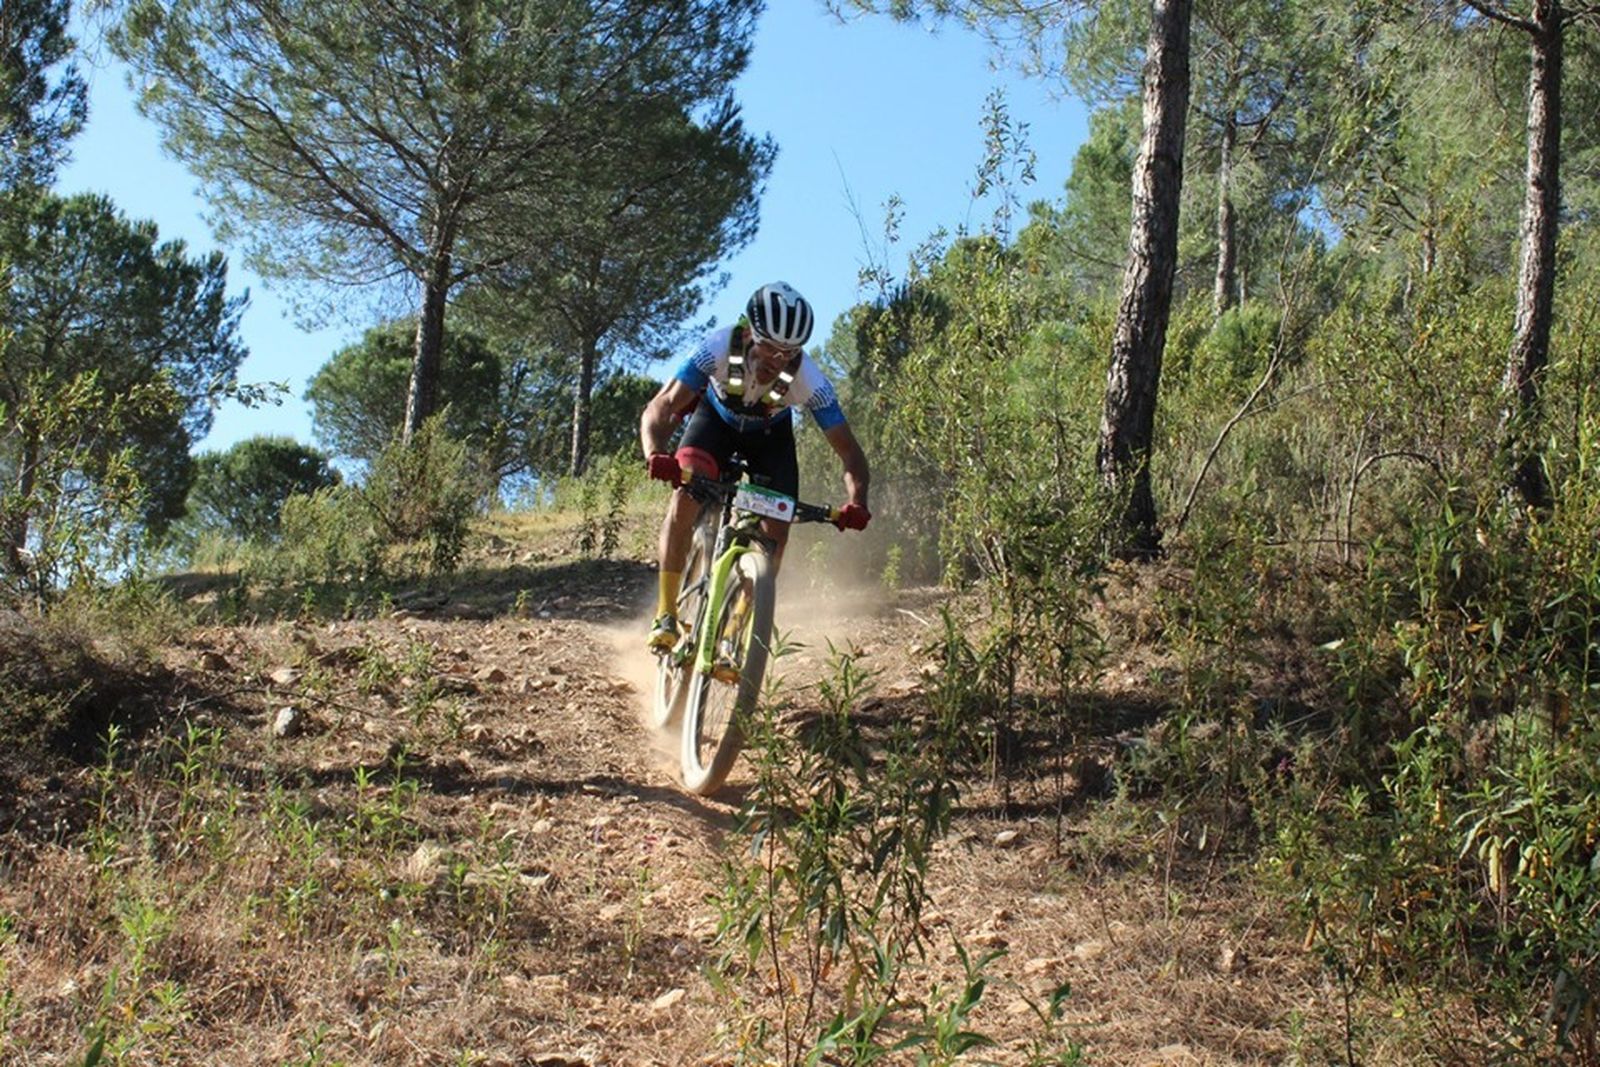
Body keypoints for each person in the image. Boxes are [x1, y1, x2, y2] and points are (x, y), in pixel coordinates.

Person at [638, 281, 870, 652]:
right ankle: (665, 613)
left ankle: (734, 632)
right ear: (749, 333)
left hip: (770, 437)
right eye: (769, 347)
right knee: (686, 496)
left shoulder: (811, 382)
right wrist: (655, 452)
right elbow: (662, 405)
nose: (776, 360)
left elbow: (851, 454)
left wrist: (857, 501)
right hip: (714, 424)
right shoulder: (717, 346)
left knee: (776, 532)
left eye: (787, 353)